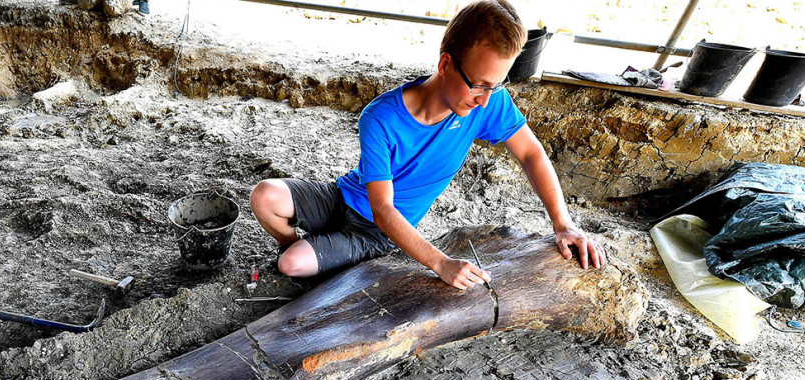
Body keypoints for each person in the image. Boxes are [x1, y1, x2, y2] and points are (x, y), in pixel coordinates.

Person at [250, 0, 605, 290]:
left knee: (291, 264)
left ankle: (318, 251)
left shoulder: (490, 102)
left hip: (378, 235)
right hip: (348, 198)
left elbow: (530, 152)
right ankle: (314, 248)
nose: (485, 100)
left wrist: (563, 224)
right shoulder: (380, 117)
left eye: (495, 86)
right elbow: (382, 206)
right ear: (446, 63)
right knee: (264, 195)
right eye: (479, 84)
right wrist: (440, 262)